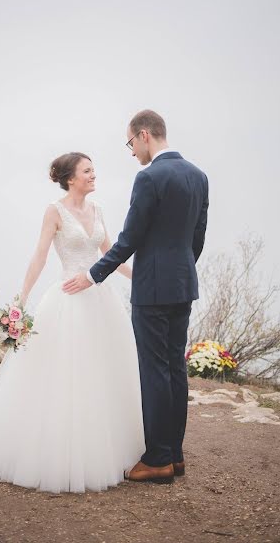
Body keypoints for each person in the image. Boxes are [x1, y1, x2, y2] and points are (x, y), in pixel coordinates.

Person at [0, 152, 145, 493]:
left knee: (103, 371)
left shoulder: (99, 211)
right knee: (67, 374)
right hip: (67, 298)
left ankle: (107, 447)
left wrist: (138, 277)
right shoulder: (55, 211)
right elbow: (40, 254)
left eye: (94, 170)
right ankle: (61, 453)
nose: (94, 175)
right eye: (87, 171)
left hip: (99, 300)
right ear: (70, 178)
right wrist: (21, 299)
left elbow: (111, 254)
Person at [63, 110, 209, 484]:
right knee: (176, 369)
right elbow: (197, 239)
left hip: (153, 290)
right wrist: (179, 271)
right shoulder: (198, 176)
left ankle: (158, 458)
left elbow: (130, 239)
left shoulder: (149, 177)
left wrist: (94, 274)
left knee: (155, 371)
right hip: (182, 285)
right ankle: (175, 455)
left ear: (145, 135)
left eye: (130, 143)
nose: (131, 152)